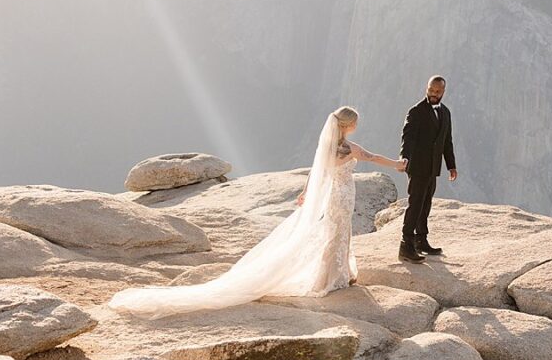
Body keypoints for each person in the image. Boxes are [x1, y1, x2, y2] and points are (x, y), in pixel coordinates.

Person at [105, 106, 403, 318]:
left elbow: (317, 171)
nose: (355, 128)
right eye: (354, 124)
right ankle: (330, 278)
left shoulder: (333, 147)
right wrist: (397, 165)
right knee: (336, 232)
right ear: (349, 126)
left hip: (336, 194)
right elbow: (372, 157)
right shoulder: (349, 148)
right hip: (341, 195)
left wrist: (304, 192)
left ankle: (335, 274)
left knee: (335, 232)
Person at [397, 74, 457, 261]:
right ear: (427, 88)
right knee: (415, 204)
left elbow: (447, 142)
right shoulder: (416, 111)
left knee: (426, 204)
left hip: (433, 168)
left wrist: (451, 166)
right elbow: (408, 138)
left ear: (443, 92)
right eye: (431, 90)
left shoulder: (445, 112)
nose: (433, 93)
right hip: (417, 166)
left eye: (437, 91)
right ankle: (405, 246)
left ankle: (421, 240)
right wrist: (404, 157)